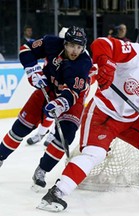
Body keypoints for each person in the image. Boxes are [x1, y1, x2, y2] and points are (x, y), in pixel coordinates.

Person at [37, 34, 139, 212]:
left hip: (131, 119)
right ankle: (56, 193)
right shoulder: (136, 54)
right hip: (103, 114)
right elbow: (102, 43)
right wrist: (105, 63)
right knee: (95, 154)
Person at [0, 26, 93, 190]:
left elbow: (73, 91)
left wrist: (60, 104)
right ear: (65, 43)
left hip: (73, 98)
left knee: (66, 135)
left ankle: (42, 170)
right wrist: (32, 69)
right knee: (20, 128)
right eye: (71, 45)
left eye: (79, 47)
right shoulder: (51, 43)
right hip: (47, 88)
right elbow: (26, 49)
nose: (74, 51)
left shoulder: (83, 63)